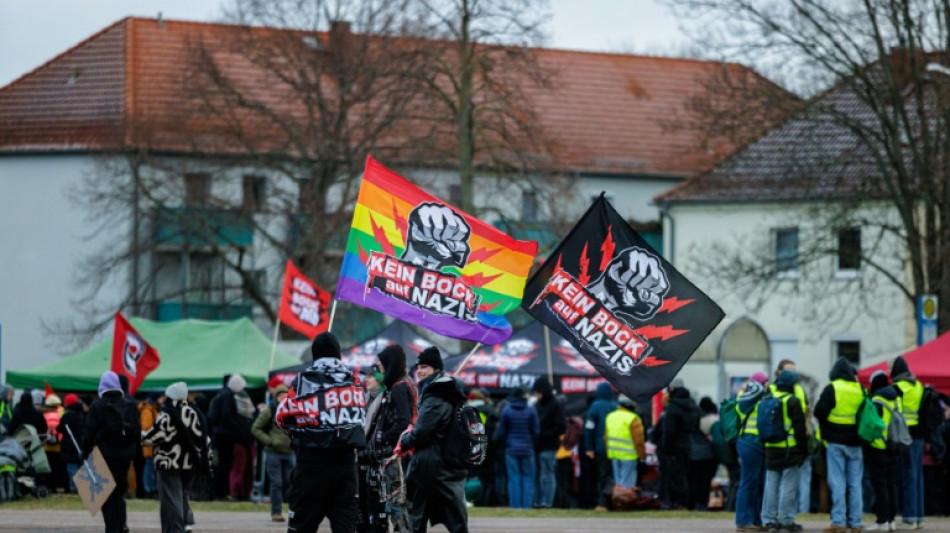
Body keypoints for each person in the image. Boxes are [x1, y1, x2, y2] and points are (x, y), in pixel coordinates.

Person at [276, 332, 366, 533]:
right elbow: (361, 419)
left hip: (311, 464)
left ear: (314, 354)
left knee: (300, 527)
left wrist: (299, 433)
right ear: (339, 354)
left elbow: (280, 417)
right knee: (346, 528)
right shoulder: (355, 380)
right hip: (345, 466)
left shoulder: (302, 381)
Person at [398, 359, 469, 533]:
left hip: (431, 463)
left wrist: (405, 439)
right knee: (454, 515)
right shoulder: (451, 392)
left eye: (424, 367)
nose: (419, 371)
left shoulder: (435, 394)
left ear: (436, 368)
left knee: (419, 515)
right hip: (448, 460)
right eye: (418, 367)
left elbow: (422, 432)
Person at [142, 381, 210, 533]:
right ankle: (186, 522)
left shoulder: (167, 414)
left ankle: (174, 529)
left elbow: (153, 438)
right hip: (189, 463)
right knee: (183, 495)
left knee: (170, 499)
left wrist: (143, 436)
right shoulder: (195, 413)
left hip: (168, 463)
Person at [82, 371, 141, 533]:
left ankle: (112, 527)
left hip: (105, 454)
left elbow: (89, 432)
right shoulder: (129, 404)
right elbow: (137, 432)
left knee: (106, 494)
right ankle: (121, 523)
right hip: (126, 454)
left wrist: (85, 453)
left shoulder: (98, 405)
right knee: (119, 489)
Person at [814, 357, 864, 533]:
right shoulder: (860, 389)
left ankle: (839, 521)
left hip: (835, 442)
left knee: (837, 482)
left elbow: (819, 411)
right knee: (855, 483)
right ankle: (856, 522)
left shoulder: (832, 388)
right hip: (856, 443)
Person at [761, 370, 808, 533]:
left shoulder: (767, 399)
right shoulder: (792, 401)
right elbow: (800, 429)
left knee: (771, 486)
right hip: (790, 449)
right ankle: (786, 521)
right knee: (788, 486)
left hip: (771, 448)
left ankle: (770, 521)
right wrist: (803, 450)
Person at [891, 355, 925, 529]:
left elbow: (894, 412)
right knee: (917, 476)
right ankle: (918, 517)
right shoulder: (918, 385)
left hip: (905, 436)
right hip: (919, 435)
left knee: (907, 476)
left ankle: (909, 517)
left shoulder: (897, 387)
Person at [252, 384, 294, 523]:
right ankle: (276, 512)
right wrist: (269, 441)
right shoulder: (269, 411)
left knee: (291, 483)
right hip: (273, 453)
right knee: (277, 483)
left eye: (284, 394)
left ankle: (294, 511)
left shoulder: (293, 411)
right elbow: (256, 428)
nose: (282, 397)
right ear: (275, 397)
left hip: (290, 453)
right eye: (279, 394)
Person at [865, 371, 900, 531]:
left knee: (880, 485)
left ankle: (882, 520)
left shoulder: (876, 399)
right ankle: (892, 519)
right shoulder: (896, 398)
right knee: (891, 483)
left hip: (878, 446)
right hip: (894, 446)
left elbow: (873, 424)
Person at [735, 372, 769, 532]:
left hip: (753, 443)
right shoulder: (748, 397)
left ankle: (754, 520)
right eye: (765, 382)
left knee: (756, 484)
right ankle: (743, 521)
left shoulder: (752, 396)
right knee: (748, 483)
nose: (768, 385)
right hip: (750, 442)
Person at [496, 387, 539, 509]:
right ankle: (526, 506)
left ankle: (515, 506)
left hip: (511, 449)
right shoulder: (531, 410)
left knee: (514, 479)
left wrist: (507, 442)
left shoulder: (506, 410)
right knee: (528, 478)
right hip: (528, 449)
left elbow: (502, 431)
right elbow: (536, 431)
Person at [660, 378, 699, 510]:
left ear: (672, 389)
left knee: (674, 475)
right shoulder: (692, 404)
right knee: (684, 473)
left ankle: (677, 501)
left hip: (675, 446)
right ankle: (685, 501)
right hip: (688, 444)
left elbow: (669, 430)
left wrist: (665, 447)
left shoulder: (672, 406)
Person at [531, 377, 565, 509]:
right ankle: (538, 501)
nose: (536, 395)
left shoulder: (556, 405)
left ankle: (547, 502)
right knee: (538, 475)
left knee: (547, 475)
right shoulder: (536, 405)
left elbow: (561, 426)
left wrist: (544, 434)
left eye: (537, 392)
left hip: (549, 446)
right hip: (537, 446)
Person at [583, 382, 617, 510]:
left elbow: (589, 429)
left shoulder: (595, 407)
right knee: (614, 475)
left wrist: (589, 447)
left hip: (600, 447)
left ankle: (602, 502)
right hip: (615, 448)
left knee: (602, 476)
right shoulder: (615, 406)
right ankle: (615, 500)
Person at [604, 395, 645, 490]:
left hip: (614, 455)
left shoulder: (610, 416)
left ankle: (618, 502)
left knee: (618, 485)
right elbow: (638, 441)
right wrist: (642, 456)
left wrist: (609, 452)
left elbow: (606, 437)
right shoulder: (633, 418)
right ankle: (625, 503)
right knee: (627, 486)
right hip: (629, 456)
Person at [690, 397, 720, 511]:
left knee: (694, 480)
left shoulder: (694, 417)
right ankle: (703, 503)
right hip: (708, 454)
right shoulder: (713, 420)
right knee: (705, 481)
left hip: (693, 454)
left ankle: (694, 503)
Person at [58, 393, 85, 492]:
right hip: (80, 444)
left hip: (70, 445)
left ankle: (73, 487)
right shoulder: (81, 413)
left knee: (71, 466)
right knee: (79, 466)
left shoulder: (68, 415)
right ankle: (81, 486)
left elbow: (60, 428)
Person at [139, 391, 163, 498]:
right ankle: (149, 489)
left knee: (151, 467)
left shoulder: (153, 409)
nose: (163, 399)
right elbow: (146, 427)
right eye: (161, 397)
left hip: (152, 444)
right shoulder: (148, 411)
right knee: (149, 468)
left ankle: (150, 488)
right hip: (150, 445)